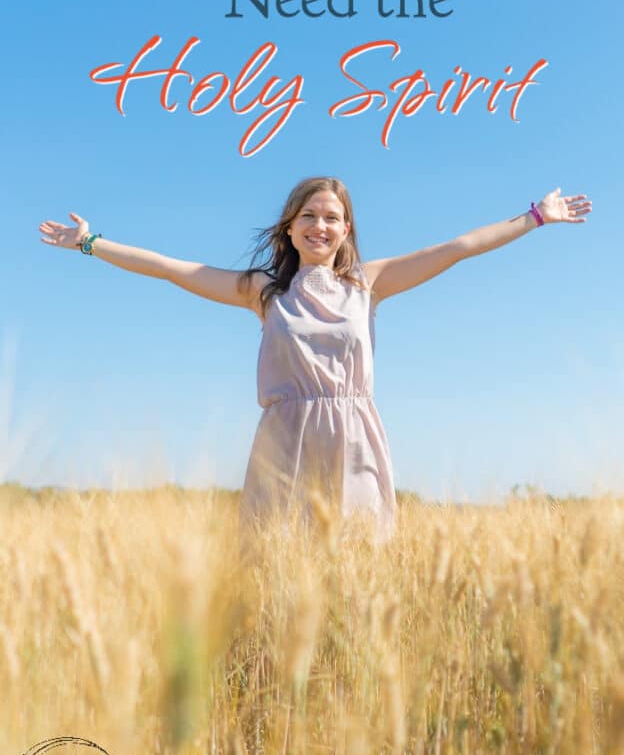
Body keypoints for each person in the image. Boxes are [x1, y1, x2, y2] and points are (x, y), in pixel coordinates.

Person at [39, 176, 592, 548]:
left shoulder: (369, 284)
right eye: (309, 215)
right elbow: (170, 268)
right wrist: (92, 243)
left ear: (346, 229)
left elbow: (460, 246)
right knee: (276, 562)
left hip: (353, 439)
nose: (320, 225)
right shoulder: (263, 291)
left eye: (332, 217)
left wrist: (537, 217)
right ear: (289, 226)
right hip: (284, 441)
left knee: (353, 564)